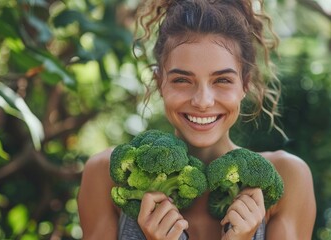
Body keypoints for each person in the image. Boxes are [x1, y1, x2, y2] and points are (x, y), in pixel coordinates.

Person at [77, 0, 316, 239]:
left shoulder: (286, 178)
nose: (203, 101)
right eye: (182, 80)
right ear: (160, 83)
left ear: (246, 84)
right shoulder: (108, 175)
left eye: (222, 80)